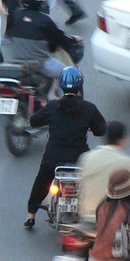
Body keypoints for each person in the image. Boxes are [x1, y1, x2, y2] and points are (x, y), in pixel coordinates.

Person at [24, 66, 106, 228]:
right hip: (80, 158)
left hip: (53, 158)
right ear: (80, 86)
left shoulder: (53, 106)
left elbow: (34, 121)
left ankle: (30, 214)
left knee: (42, 181)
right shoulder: (89, 108)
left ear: (60, 85)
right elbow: (100, 130)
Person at [1, 0, 81, 76]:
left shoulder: (14, 16)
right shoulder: (45, 19)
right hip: (40, 64)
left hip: (13, 62)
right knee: (70, 76)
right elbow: (61, 38)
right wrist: (74, 39)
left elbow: (7, 37)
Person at [77, 120, 130, 223]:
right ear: (121, 139)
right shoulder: (129, 163)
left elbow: (80, 184)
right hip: (113, 220)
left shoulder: (86, 157)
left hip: (86, 216)